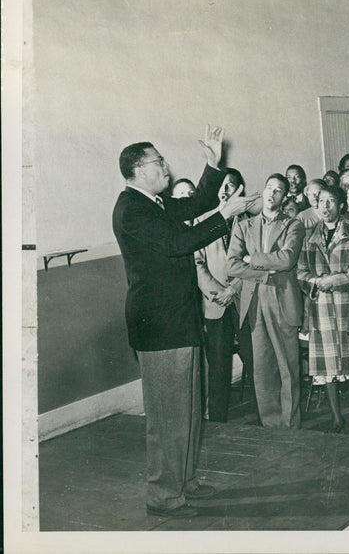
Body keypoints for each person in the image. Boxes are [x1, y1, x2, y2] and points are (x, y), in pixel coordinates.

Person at [112, 126, 257, 518]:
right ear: (140, 170)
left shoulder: (154, 204)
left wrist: (212, 164)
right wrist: (224, 216)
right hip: (159, 327)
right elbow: (178, 243)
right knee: (167, 417)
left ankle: (185, 482)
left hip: (178, 321)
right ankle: (164, 495)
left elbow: (194, 207)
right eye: (159, 162)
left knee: (188, 410)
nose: (166, 167)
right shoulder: (132, 210)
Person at [226, 173, 305, 429]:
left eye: (278, 190)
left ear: (284, 197)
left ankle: (290, 424)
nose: (272, 194)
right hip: (255, 301)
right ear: (263, 191)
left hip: (282, 301)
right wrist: (262, 270)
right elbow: (232, 265)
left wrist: (253, 259)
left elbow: (287, 259)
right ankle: (272, 425)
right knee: (262, 369)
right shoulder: (243, 226)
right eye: (269, 188)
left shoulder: (293, 224)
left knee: (288, 367)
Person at [297, 185, 349, 433]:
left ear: (341, 205)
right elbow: (301, 272)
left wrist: (335, 280)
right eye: (321, 201)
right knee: (326, 366)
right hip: (321, 307)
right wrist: (316, 282)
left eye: (331, 201)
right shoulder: (308, 236)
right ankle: (337, 417)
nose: (325, 207)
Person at [194, 167, 252, 423]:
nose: (226, 190)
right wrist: (220, 293)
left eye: (232, 185)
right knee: (218, 364)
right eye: (223, 185)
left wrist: (234, 289)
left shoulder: (249, 221)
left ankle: (264, 414)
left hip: (244, 299)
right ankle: (216, 417)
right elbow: (197, 263)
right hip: (216, 303)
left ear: (240, 190)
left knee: (254, 357)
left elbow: (254, 262)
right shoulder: (202, 220)